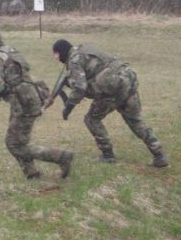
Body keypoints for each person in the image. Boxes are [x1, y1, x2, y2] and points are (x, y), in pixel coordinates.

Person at [0, 28, 74, 180]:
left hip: (23, 102)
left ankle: (61, 156)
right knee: (17, 140)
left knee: (14, 145)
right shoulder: (10, 50)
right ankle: (31, 174)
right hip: (27, 98)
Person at [51, 39, 169, 168]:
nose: (55, 58)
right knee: (135, 121)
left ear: (60, 52)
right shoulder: (85, 49)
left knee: (91, 119)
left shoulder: (74, 60)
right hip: (128, 80)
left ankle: (108, 155)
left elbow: (80, 88)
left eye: (55, 54)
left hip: (113, 90)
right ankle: (160, 155)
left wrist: (68, 107)